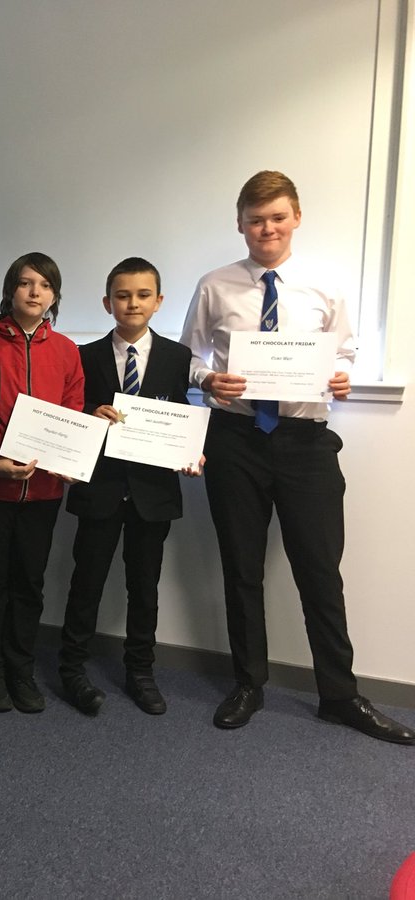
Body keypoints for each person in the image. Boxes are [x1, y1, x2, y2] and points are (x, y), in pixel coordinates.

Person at [179, 170, 413, 744]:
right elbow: (185, 357)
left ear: (296, 218)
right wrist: (211, 380)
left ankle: (339, 694)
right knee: (240, 567)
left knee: (319, 571)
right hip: (235, 441)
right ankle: (248, 683)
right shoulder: (215, 284)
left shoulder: (325, 285)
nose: (267, 228)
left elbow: (351, 350)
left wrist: (343, 377)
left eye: (278, 217)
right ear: (240, 225)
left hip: (306, 445)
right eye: (256, 220)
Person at [57, 257, 200, 717]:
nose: (132, 303)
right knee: (86, 581)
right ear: (106, 303)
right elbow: (69, 413)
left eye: (142, 295)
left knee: (145, 585)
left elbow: (184, 420)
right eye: (122, 295)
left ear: (159, 302)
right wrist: (87, 415)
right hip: (99, 488)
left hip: (152, 494)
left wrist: (192, 453)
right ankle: (72, 667)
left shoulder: (179, 359)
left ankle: (141, 670)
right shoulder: (84, 356)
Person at [0, 252, 84, 715]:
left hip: (42, 492)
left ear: (54, 295)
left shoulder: (67, 351)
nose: (34, 291)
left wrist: (72, 452)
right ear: (10, 290)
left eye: (44, 284)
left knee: (29, 583)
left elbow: (74, 410)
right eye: (25, 283)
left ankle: (20, 667)